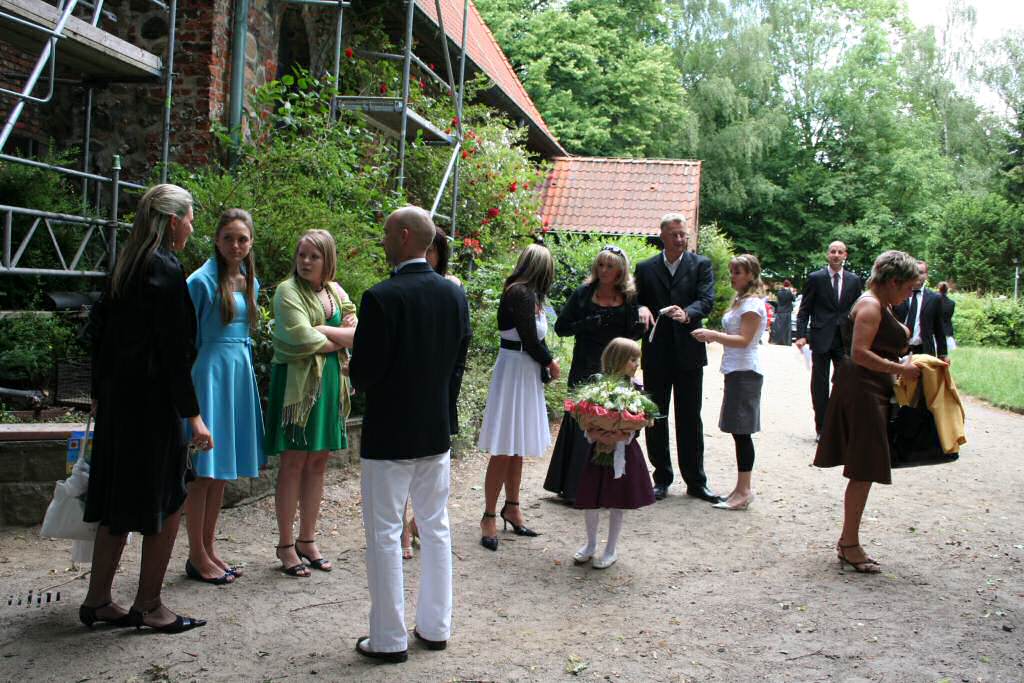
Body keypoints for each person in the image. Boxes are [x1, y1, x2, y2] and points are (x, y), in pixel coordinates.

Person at [81, 183, 210, 633]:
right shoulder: (165, 268)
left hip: (118, 403)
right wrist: (193, 415)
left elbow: (98, 333)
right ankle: (150, 604)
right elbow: (175, 350)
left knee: (117, 500)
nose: (191, 227)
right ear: (173, 221)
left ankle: (98, 599)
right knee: (169, 499)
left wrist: (99, 392)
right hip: (152, 407)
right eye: (189, 218)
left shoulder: (127, 263)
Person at [349, 206, 471, 663]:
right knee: (436, 526)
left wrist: (355, 367)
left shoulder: (381, 297)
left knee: (384, 531)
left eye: (385, 232)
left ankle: (388, 638)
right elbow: (458, 360)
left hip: (389, 432)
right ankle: (436, 627)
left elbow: (364, 373)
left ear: (403, 235)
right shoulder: (453, 295)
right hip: (434, 428)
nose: (382, 239)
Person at [813, 250, 924, 573]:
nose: (909, 295)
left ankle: (849, 541)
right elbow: (859, 353)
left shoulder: (880, 303)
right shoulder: (871, 306)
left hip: (872, 388)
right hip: (862, 390)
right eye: (908, 288)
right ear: (893, 281)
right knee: (864, 468)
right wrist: (900, 369)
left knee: (866, 467)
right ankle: (849, 544)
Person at [265, 229, 357, 577]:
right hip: (298, 388)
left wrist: (327, 331)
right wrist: (340, 337)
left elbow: (357, 330)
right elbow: (302, 338)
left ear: (327, 260)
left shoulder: (335, 291)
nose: (305, 261)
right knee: (293, 462)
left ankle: (307, 539)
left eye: (314, 256)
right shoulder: (287, 291)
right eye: (302, 254)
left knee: (318, 461)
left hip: (329, 384)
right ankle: (285, 544)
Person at [182, 208, 265, 585]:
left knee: (220, 473)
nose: (236, 245)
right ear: (216, 239)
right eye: (229, 237)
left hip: (238, 373)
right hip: (210, 376)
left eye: (242, 239)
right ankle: (195, 555)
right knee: (203, 471)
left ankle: (209, 547)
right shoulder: (199, 282)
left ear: (250, 243)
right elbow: (187, 339)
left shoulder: (250, 281)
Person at [543, 246, 644, 502]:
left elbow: (632, 335)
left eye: (610, 266)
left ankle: (609, 489)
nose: (604, 270)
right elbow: (562, 327)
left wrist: (639, 327)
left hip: (615, 368)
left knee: (613, 421)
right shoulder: (583, 294)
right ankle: (575, 487)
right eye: (600, 265)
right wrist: (586, 324)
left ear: (620, 271)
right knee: (581, 418)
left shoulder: (629, 297)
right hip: (585, 365)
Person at [477, 244, 560, 549]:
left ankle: (512, 507)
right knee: (503, 447)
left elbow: (536, 339)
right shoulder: (520, 294)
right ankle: (488, 515)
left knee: (517, 446)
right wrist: (550, 363)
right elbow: (529, 338)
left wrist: (544, 363)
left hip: (525, 371)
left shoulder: (532, 296)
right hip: (514, 370)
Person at [633, 213, 719, 502]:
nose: (680, 239)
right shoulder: (645, 268)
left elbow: (706, 300)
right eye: (674, 235)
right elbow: (635, 298)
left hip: (689, 351)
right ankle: (661, 478)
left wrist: (688, 313)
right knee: (656, 416)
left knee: (690, 417)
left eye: (683, 234)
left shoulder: (701, 264)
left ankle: (696, 481)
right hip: (656, 352)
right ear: (662, 236)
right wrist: (641, 307)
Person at [401, 225, 463, 559]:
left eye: (432, 250)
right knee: (401, 463)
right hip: (408, 389)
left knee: (434, 469)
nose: (426, 255)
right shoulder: (399, 285)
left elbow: (460, 345)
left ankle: (416, 523)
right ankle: (402, 530)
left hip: (441, 389)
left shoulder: (452, 288)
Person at [692, 254, 767, 511]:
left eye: (737, 272)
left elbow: (745, 340)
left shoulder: (752, 304)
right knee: (738, 431)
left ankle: (744, 490)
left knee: (742, 432)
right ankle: (740, 488)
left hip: (745, 370)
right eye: (732, 271)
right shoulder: (741, 300)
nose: (732, 276)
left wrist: (713, 335)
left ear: (750, 275)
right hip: (736, 370)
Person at [573, 338, 655, 570]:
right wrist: (595, 432)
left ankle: (611, 549)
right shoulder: (597, 385)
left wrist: (621, 435)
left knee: (618, 501)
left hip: (624, 451)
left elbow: (641, 421)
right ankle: (590, 544)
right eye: (632, 359)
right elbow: (585, 415)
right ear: (617, 360)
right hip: (597, 449)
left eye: (637, 359)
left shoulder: (636, 388)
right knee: (592, 500)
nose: (636, 364)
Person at [795, 241, 863, 441]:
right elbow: (805, 309)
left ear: (845, 255)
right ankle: (822, 428)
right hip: (821, 337)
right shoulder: (816, 278)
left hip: (844, 340)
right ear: (828, 254)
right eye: (833, 251)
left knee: (845, 383)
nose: (836, 255)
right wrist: (801, 335)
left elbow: (858, 311)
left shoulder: (854, 280)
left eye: (840, 252)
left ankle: (839, 425)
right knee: (820, 384)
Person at [892, 260, 948, 360]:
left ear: (926, 275)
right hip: (898, 349)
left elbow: (939, 328)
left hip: (924, 350)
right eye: (915, 271)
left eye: (921, 272)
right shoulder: (897, 294)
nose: (918, 275)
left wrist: (942, 354)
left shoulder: (934, 298)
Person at [769, 279, 795, 345]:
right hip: (787, 311)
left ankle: (775, 340)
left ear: (783, 284)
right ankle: (785, 341)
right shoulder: (789, 292)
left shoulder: (779, 292)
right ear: (789, 285)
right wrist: (792, 293)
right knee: (786, 327)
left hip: (780, 310)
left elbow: (779, 300)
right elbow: (794, 299)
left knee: (778, 326)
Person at [937, 281, 956, 351]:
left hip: (936, 330)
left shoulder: (934, 301)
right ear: (947, 290)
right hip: (947, 330)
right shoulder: (952, 303)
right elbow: (949, 316)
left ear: (938, 289)